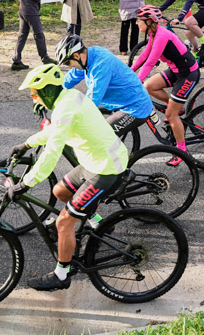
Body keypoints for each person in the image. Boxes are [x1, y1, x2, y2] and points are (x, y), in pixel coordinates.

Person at [9, 64, 128, 291]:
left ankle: (61, 275)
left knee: (63, 222)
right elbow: (54, 131)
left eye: (35, 93)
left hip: (107, 169)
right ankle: (98, 223)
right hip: (95, 163)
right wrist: (27, 144)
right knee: (60, 191)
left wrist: (26, 183)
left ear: (47, 90)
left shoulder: (65, 108)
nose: (34, 99)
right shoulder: (68, 98)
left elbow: (52, 152)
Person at [132, 4, 199, 164]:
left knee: (170, 115)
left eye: (139, 20)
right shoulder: (153, 33)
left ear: (149, 21)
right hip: (176, 70)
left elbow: (150, 62)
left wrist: (136, 82)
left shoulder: (161, 36)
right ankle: (175, 107)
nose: (136, 22)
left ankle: (182, 151)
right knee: (149, 86)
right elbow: (144, 56)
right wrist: (129, 72)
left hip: (188, 74)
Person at [57, 35, 155, 144]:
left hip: (134, 107)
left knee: (97, 139)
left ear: (76, 55)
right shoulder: (88, 57)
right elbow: (72, 77)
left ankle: (114, 155)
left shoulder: (100, 65)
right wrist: (54, 92)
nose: (69, 67)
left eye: (67, 63)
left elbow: (92, 99)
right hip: (121, 101)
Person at [12, 0, 54, 71]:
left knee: (22, 36)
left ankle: (16, 60)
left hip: (23, 10)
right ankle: (45, 58)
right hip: (31, 12)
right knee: (39, 35)